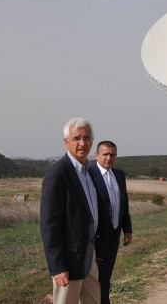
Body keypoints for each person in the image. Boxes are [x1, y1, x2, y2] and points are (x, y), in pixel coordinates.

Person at [40, 118, 101, 303]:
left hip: (89, 255)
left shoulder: (89, 172)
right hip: (69, 259)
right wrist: (57, 266)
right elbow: (49, 226)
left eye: (87, 138)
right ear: (66, 142)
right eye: (76, 138)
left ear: (92, 141)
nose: (82, 143)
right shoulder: (57, 175)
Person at [89, 141, 133, 304]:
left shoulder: (119, 175)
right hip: (96, 237)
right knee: (94, 280)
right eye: (105, 154)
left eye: (112, 155)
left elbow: (124, 204)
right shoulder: (89, 174)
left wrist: (127, 229)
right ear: (97, 155)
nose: (109, 158)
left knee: (105, 278)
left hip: (113, 236)